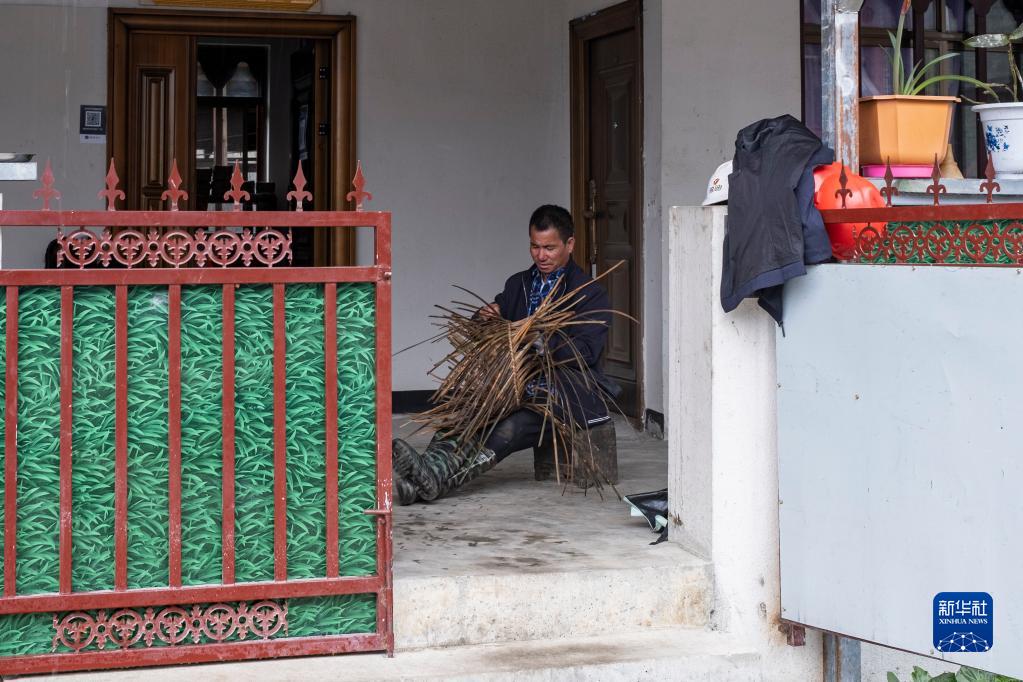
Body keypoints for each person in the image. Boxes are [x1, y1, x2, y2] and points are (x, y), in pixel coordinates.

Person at [392, 204, 613, 505]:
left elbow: (587, 352)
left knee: (510, 427)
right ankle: (428, 473)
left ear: (570, 244)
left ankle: (433, 480)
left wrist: (542, 343)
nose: (541, 255)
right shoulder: (518, 284)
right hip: (512, 385)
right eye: (535, 246)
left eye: (549, 248)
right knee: (468, 408)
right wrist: (483, 317)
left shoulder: (588, 292)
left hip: (562, 392)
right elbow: (490, 326)